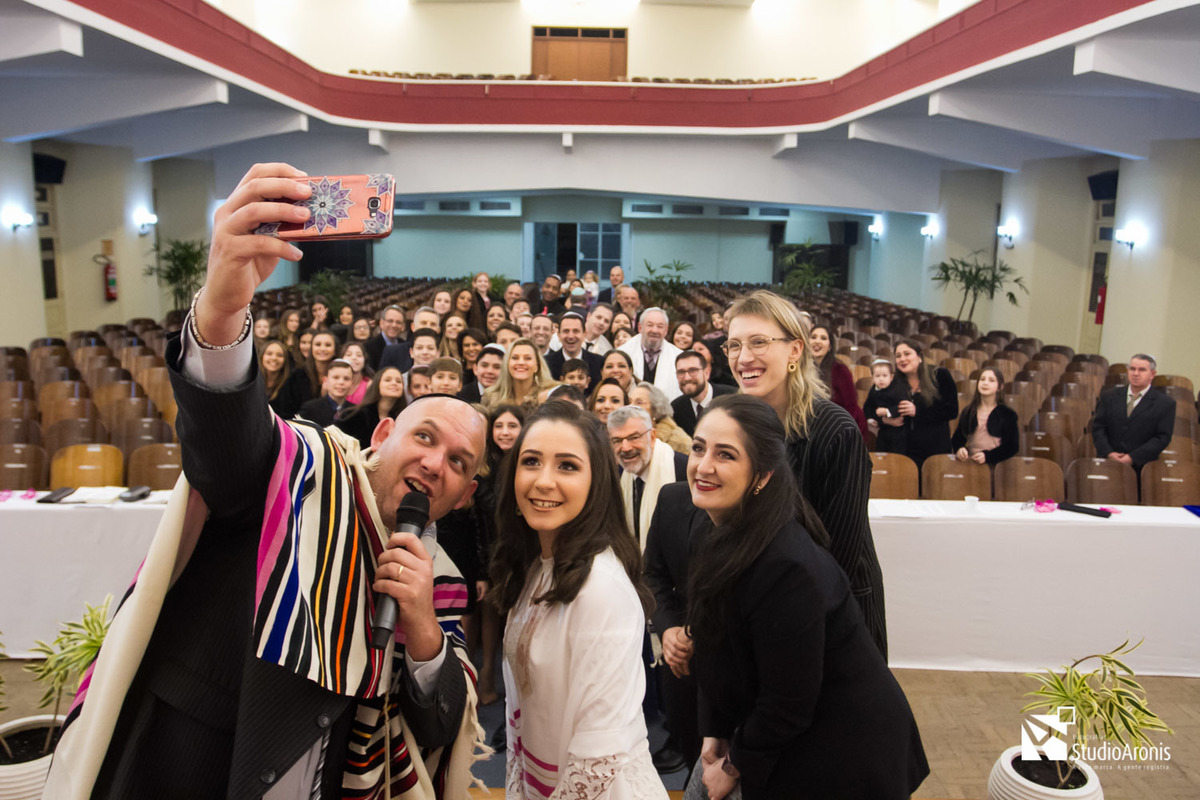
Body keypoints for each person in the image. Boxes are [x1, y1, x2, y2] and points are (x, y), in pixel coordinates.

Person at [46, 163, 486, 799]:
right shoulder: (304, 467)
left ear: (465, 494)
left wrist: (421, 634)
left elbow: (443, 722)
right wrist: (224, 311)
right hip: (192, 762)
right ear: (384, 436)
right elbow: (228, 449)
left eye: (459, 463)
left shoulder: (436, 578)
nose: (435, 464)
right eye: (425, 437)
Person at [685, 394, 928, 800]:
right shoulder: (707, 525)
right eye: (698, 448)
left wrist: (734, 765)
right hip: (781, 723)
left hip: (844, 745)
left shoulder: (787, 567)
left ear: (761, 476)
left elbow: (789, 700)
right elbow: (714, 641)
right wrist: (714, 728)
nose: (703, 466)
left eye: (725, 455)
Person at [488, 402, 668, 799]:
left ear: (596, 481)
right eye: (531, 461)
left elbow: (597, 759)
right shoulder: (540, 564)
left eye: (567, 465)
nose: (543, 481)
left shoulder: (600, 588)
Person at [725, 290, 887, 657]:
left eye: (759, 342)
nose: (743, 357)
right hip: (760, 607)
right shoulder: (733, 425)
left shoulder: (836, 431)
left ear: (795, 351)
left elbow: (836, 555)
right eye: (733, 345)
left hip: (831, 616)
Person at [607, 405, 688, 550]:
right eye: (617, 440)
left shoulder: (683, 472)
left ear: (652, 437)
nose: (626, 447)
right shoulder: (619, 476)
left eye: (634, 437)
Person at [1091, 353, 1175, 471]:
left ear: (1152, 374)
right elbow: (1098, 428)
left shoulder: (1165, 403)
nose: (1136, 373)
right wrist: (1109, 453)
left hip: (1140, 467)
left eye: (1141, 370)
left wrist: (1132, 457)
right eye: (1132, 369)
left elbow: (1162, 438)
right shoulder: (1109, 396)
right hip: (1107, 462)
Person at [894, 339, 959, 469]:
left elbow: (951, 410)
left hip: (935, 448)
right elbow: (876, 407)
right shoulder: (894, 382)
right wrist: (886, 419)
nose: (902, 359)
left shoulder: (940, 375)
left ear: (919, 357)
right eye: (898, 356)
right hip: (905, 451)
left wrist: (917, 412)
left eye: (907, 354)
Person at [809, 324, 869, 439]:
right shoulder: (802, 369)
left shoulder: (840, 370)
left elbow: (850, 406)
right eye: (813, 337)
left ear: (830, 346)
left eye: (823, 338)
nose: (817, 341)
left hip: (843, 426)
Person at [951, 367, 1019, 465]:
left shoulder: (1007, 414)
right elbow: (957, 439)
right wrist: (960, 449)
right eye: (982, 379)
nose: (985, 383)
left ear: (1000, 387)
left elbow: (1012, 447)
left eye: (991, 380)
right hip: (971, 464)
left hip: (997, 465)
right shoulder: (969, 411)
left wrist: (988, 456)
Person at [334, 365, 406, 448]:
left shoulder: (403, 420)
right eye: (387, 380)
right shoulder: (353, 416)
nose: (394, 383)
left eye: (398, 381)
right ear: (377, 385)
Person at [619, 307, 683, 402]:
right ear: (640, 327)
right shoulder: (623, 353)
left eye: (660, 326)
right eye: (650, 325)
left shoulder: (678, 357)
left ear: (666, 330)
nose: (654, 330)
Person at [670, 349, 734, 438]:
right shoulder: (676, 409)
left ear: (706, 373)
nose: (687, 378)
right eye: (681, 372)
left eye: (693, 370)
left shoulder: (732, 398)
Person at [277, 329, 338, 418]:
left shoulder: (341, 376)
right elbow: (286, 410)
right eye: (318, 345)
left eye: (328, 345)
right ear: (311, 348)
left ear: (335, 350)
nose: (322, 348)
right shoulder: (297, 375)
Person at [482, 337, 553, 409]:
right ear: (507, 364)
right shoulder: (491, 397)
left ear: (537, 366)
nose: (521, 362)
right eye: (515, 358)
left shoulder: (549, 396)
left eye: (528, 358)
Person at [630, 381, 692, 456]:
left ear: (655, 408)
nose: (631, 407)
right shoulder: (624, 434)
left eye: (639, 402)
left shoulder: (680, 441)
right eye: (630, 402)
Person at [544, 311, 603, 386]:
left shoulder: (597, 363)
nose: (571, 336)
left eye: (576, 331)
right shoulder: (546, 364)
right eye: (566, 331)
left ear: (584, 334)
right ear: (558, 335)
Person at [863, 359, 908, 454]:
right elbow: (868, 407)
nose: (881, 379)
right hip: (883, 429)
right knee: (881, 450)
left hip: (898, 432)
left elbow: (902, 406)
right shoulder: (873, 390)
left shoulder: (897, 390)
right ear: (872, 378)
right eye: (877, 376)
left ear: (891, 377)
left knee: (897, 454)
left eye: (884, 376)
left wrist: (888, 411)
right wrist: (870, 418)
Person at [297, 358, 356, 427]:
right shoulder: (310, 409)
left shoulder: (356, 412)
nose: (341, 382)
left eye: (346, 379)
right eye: (336, 377)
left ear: (352, 384)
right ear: (325, 380)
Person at [365, 304, 406, 371]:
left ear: (403, 326)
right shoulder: (369, 347)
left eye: (398, 322)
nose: (394, 325)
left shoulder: (406, 347)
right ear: (381, 323)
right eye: (390, 321)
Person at [259, 339, 290, 417]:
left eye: (279, 355)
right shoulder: (252, 382)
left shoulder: (291, 385)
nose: (274, 358)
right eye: (269, 354)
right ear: (262, 357)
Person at [339, 340, 371, 405]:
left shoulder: (369, 385)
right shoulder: (333, 382)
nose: (354, 358)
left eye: (359, 355)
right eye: (349, 355)